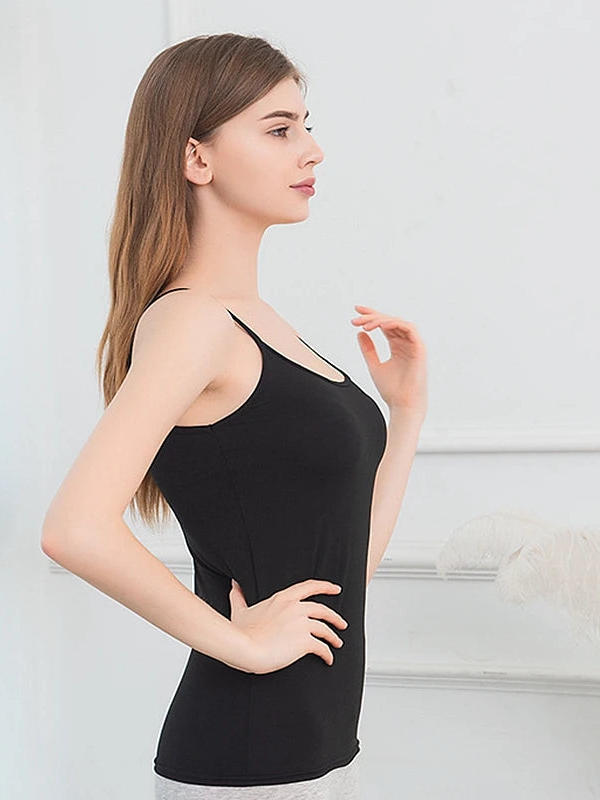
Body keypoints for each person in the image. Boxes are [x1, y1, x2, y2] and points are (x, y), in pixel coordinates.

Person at [41, 32, 428, 799]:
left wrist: (407, 413)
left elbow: (343, 569)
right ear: (197, 158)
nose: (312, 150)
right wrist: (240, 646)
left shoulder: (257, 321)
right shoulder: (193, 323)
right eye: (279, 129)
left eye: (307, 125)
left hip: (317, 756)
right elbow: (73, 529)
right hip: (242, 763)